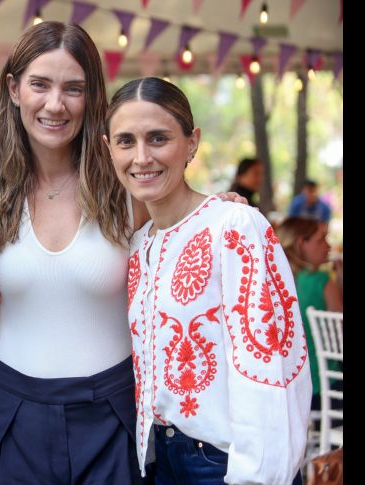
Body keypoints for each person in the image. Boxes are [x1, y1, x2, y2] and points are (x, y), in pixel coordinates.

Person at [104, 77, 311, 484]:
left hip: (222, 464)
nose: (141, 157)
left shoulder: (234, 225)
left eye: (158, 138)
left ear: (192, 143)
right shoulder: (138, 244)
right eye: (125, 141)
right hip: (157, 458)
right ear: (107, 149)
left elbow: (269, 367)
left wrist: (257, 477)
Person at [0, 21, 147, 484]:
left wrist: (226, 209)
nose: (55, 104)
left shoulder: (130, 185)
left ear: (92, 98)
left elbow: (188, 227)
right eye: (40, 85)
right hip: (12, 411)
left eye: (73, 88)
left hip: (114, 410)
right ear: (13, 89)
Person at [277, 217, 342, 411]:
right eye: (321, 239)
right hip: (324, 388)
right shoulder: (319, 280)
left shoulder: (276, 280)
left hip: (287, 390)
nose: (328, 245)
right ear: (300, 242)